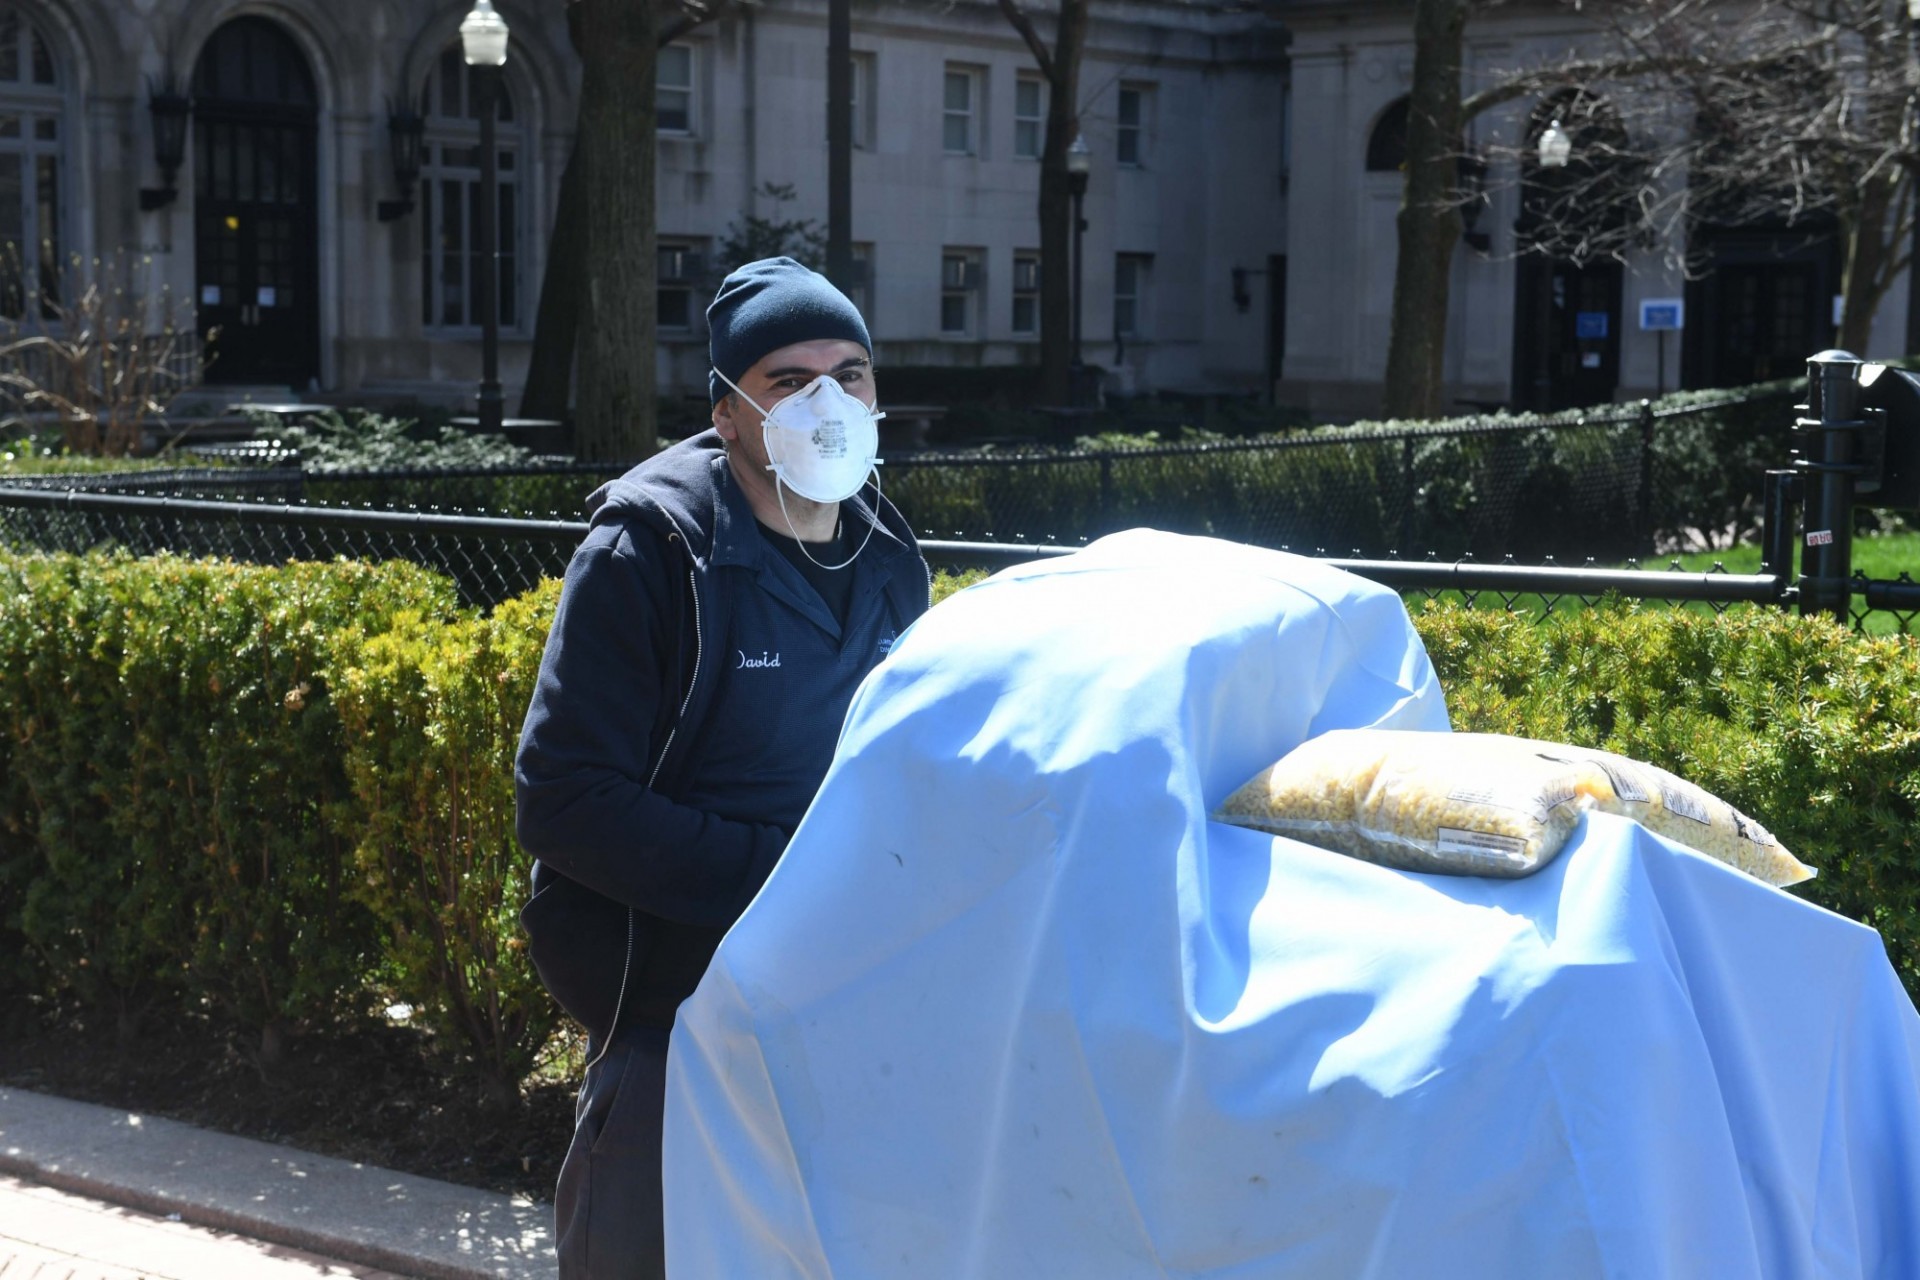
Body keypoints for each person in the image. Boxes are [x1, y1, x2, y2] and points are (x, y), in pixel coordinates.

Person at [514, 256, 930, 1279]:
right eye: (790, 380)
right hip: (677, 1012)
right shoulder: (650, 550)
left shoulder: (886, 555)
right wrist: (791, 878)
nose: (829, 399)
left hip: (843, 1002)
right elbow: (564, 799)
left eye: (852, 371)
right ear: (730, 411)